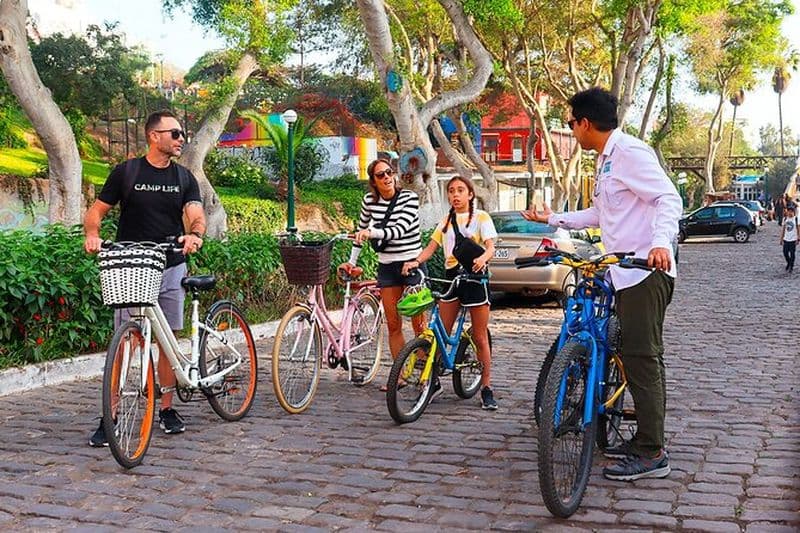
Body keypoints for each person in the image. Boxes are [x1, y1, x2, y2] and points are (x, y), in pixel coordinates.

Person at [522, 87, 683, 481]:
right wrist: (554, 219)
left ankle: (652, 452)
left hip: (646, 270)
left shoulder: (629, 152)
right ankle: (642, 435)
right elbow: (602, 212)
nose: (571, 131)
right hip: (621, 273)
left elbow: (668, 198)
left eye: (571, 123)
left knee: (644, 358)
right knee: (629, 353)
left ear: (585, 123)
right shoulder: (606, 161)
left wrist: (660, 243)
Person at [84, 110, 206, 446]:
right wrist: (92, 235)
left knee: (166, 343)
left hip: (171, 265)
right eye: (175, 134)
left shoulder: (184, 178)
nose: (181, 139)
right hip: (131, 267)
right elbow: (96, 211)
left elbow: (195, 214)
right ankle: (110, 417)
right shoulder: (127, 172)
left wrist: (194, 234)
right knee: (123, 344)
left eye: (182, 134)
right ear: (154, 136)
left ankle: (166, 408)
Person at [401, 175, 499, 410]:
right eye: (451, 191)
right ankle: (433, 382)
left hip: (475, 278)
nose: (455, 195)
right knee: (439, 332)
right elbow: (430, 248)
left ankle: (486, 387)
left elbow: (491, 246)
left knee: (479, 336)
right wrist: (415, 262)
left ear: (470, 194)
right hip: (451, 277)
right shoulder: (445, 221)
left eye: (460, 190)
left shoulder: (481, 217)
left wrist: (483, 258)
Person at [340, 158, 425, 391]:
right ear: (373, 181)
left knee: (419, 323)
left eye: (389, 172)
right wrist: (351, 262)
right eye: (380, 175)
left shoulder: (409, 198)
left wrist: (371, 233)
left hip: (412, 264)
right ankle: (400, 374)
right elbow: (361, 231)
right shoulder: (369, 200)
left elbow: (398, 230)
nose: (387, 177)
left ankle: (426, 371)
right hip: (387, 266)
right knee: (393, 323)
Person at [780, 203, 798, 272]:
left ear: (794, 212)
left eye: (791, 211)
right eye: (789, 211)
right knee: (785, 252)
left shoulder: (796, 219)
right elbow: (783, 229)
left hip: (793, 239)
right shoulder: (785, 219)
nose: (790, 213)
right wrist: (781, 239)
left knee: (792, 253)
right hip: (786, 239)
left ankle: (791, 266)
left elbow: (798, 229)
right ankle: (789, 262)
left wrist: (798, 238)